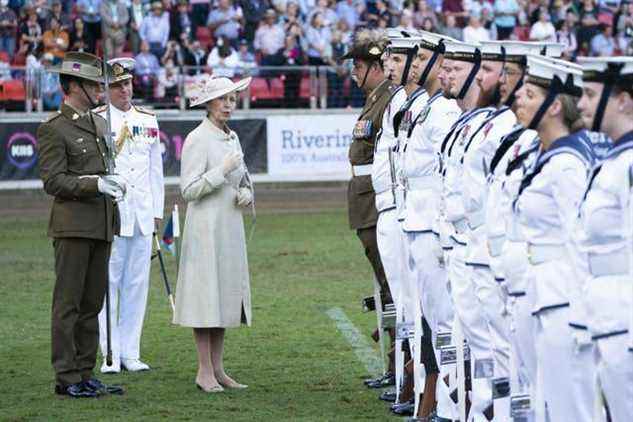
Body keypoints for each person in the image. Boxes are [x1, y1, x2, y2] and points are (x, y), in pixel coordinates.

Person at [513, 55, 596, 421]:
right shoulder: (543, 155)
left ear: (555, 107)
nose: (518, 98)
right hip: (540, 286)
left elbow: (580, 241)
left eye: (529, 94)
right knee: (544, 396)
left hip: (563, 295)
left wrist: (581, 312)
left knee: (567, 404)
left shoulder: (566, 165)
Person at [37, 51, 124, 398]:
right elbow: (53, 181)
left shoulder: (98, 124)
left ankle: (85, 372)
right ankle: (66, 376)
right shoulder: (54, 129)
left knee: (92, 304)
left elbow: (104, 169)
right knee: (68, 304)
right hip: (73, 227)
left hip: (101, 224)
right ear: (72, 86)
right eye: (91, 84)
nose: (99, 90)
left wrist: (113, 183)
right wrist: (95, 184)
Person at [174, 75, 253, 393]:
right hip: (205, 230)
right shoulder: (197, 138)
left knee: (224, 297)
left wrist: (247, 191)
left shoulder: (231, 138)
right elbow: (189, 189)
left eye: (232, 99)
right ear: (208, 103)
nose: (228, 105)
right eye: (222, 99)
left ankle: (219, 369)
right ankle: (204, 370)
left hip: (229, 227)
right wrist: (221, 172)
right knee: (205, 298)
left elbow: (242, 176)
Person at [96, 58, 164, 374]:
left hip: (141, 212)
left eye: (127, 84)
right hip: (111, 213)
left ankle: (131, 352)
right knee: (108, 283)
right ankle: (110, 353)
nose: (125, 90)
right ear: (105, 89)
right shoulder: (96, 119)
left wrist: (157, 213)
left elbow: (155, 171)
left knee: (137, 284)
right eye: (118, 85)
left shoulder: (149, 120)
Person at [576, 56, 633, 422]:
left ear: (624, 101)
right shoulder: (613, 159)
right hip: (606, 312)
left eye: (591, 94)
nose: (580, 104)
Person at [340, 28, 396, 389]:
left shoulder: (386, 99)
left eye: (358, 66)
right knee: (384, 285)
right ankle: (396, 367)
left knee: (391, 288)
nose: (354, 73)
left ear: (374, 66)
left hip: (375, 202)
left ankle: (398, 367)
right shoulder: (375, 98)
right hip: (366, 203)